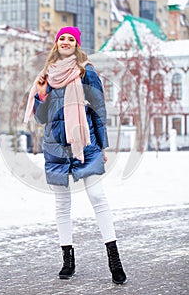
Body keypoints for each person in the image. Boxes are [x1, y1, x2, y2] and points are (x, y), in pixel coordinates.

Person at [24, 26, 127, 284]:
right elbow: (41, 117)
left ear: (77, 44)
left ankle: (114, 259)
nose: (66, 42)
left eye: (71, 39)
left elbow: (100, 108)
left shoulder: (86, 71)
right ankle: (67, 260)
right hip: (55, 145)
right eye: (62, 38)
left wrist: (102, 146)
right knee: (62, 204)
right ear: (56, 44)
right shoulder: (46, 75)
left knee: (97, 196)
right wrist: (41, 94)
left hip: (85, 140)